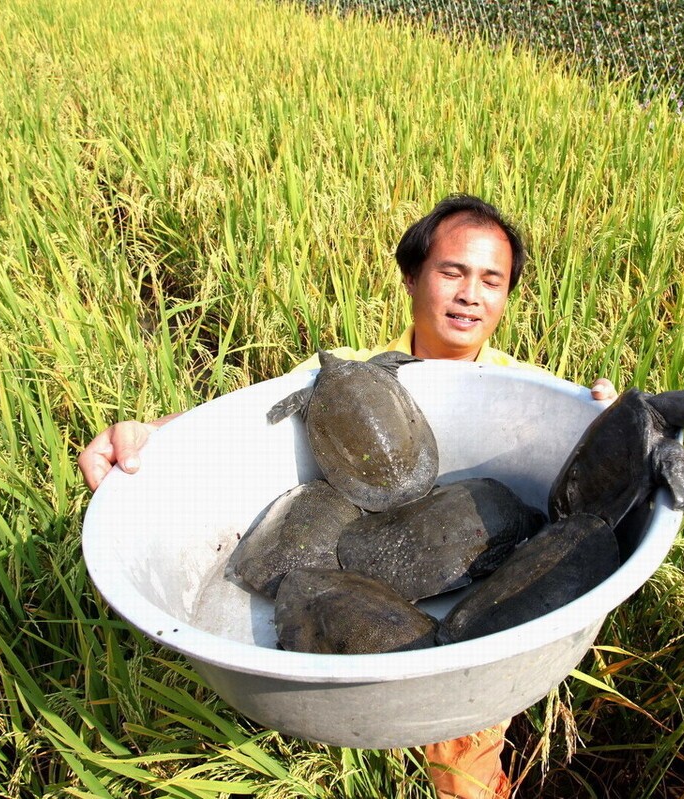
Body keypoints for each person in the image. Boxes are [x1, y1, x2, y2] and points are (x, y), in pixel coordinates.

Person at [78, 193, 615, 799]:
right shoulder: (341, 373)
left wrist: (606, 416)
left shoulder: (529, 391)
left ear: (507, 295)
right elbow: (236, 425)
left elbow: (595, 441)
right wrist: (152, 436)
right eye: (452, 272)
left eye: (492, 280)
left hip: (470, 657)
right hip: (340, 611)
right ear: (412, 276)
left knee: (465, 754)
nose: (471, 294)